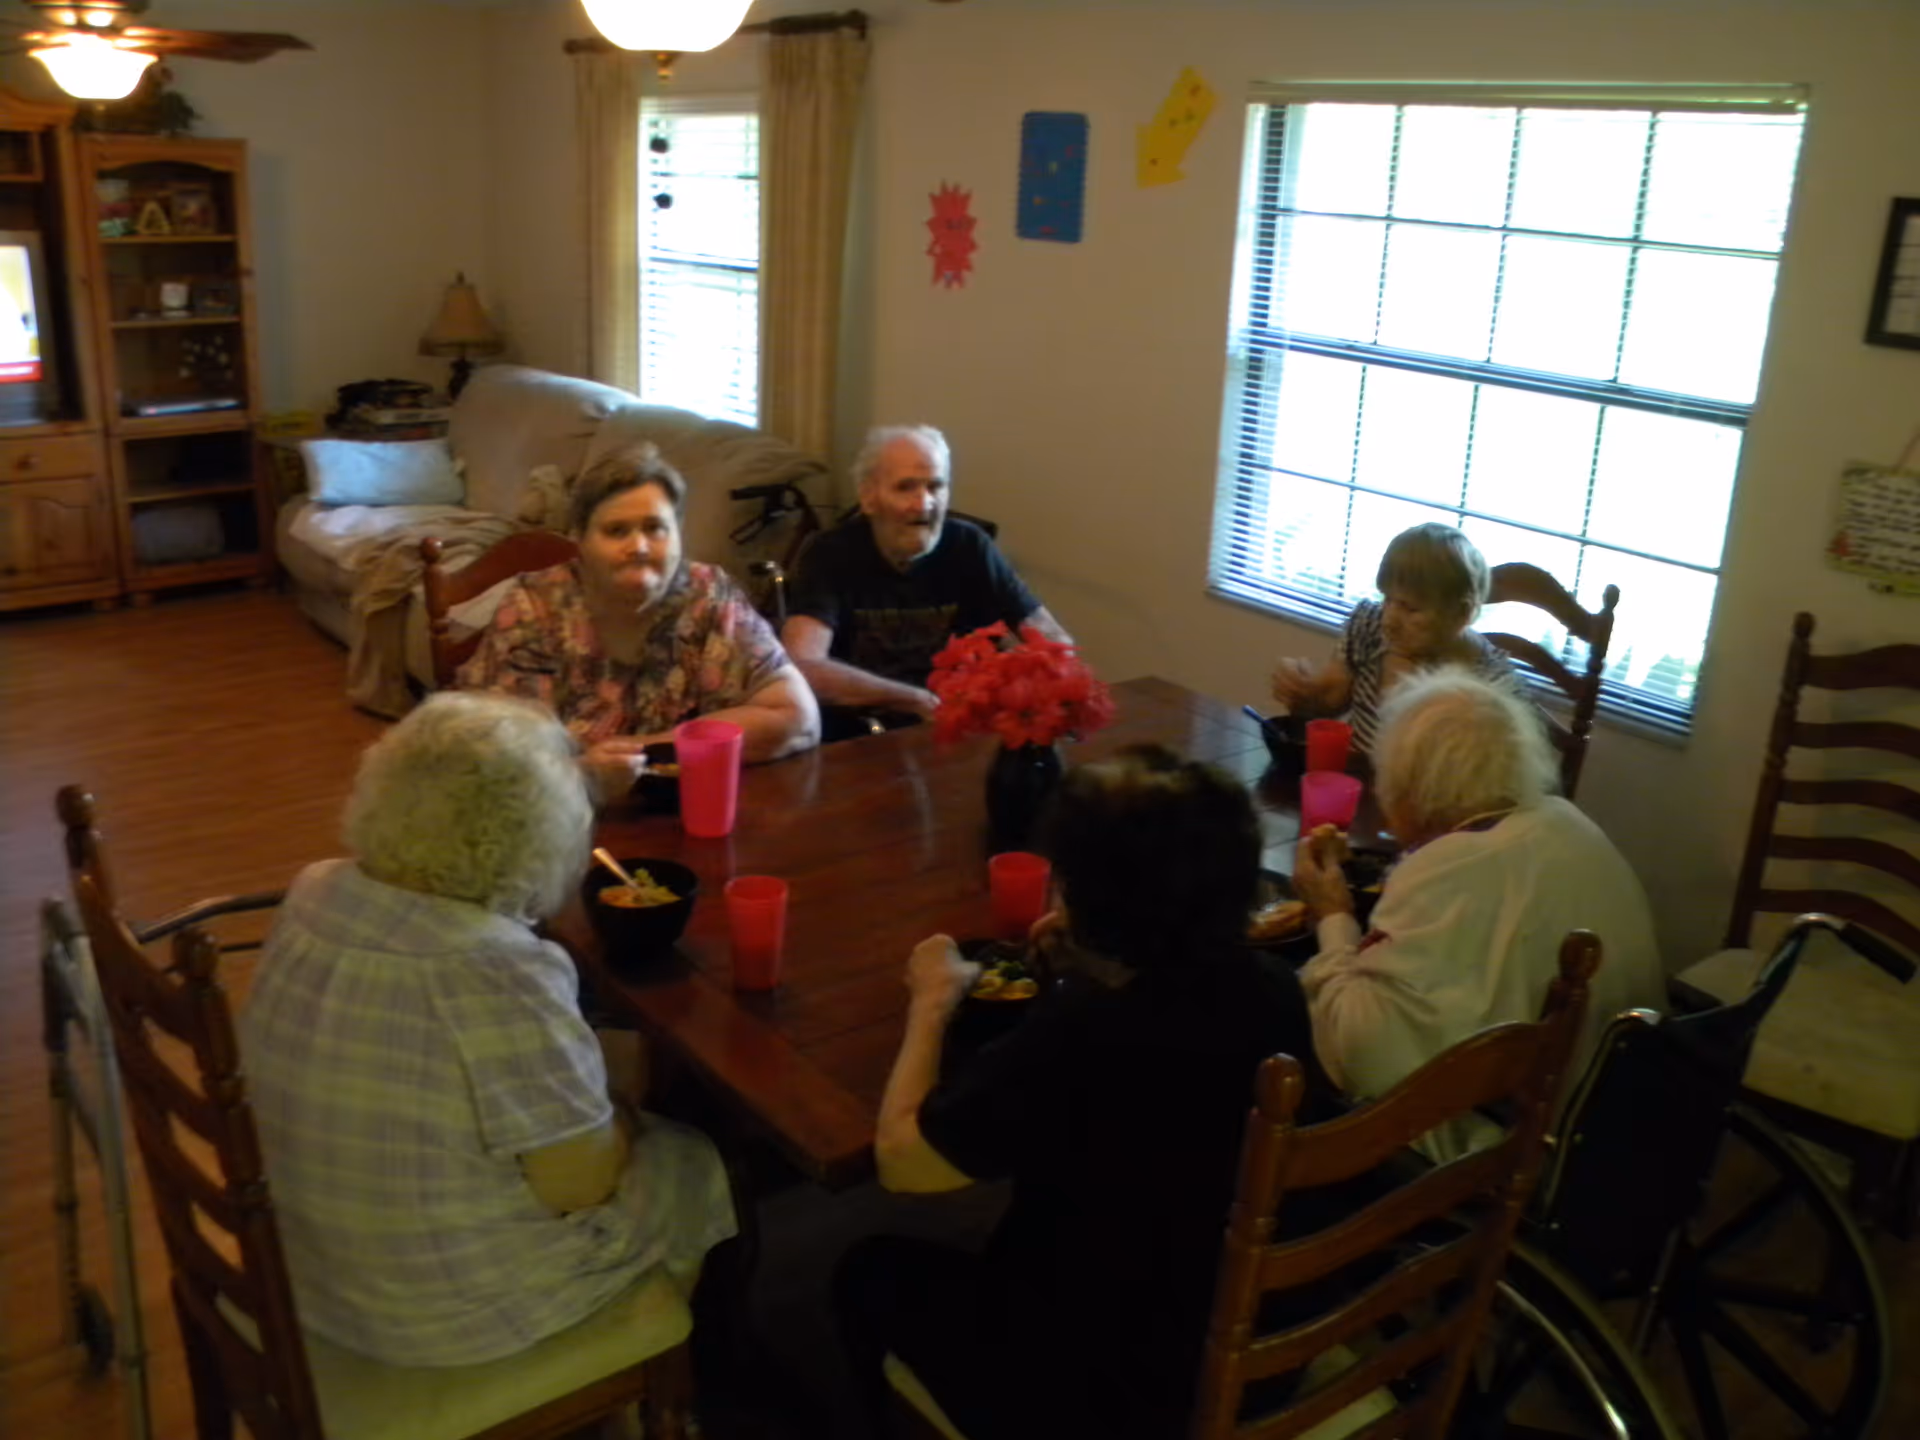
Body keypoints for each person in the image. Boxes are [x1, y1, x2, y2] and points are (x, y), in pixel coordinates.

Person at [833, 745, 1324, 1440]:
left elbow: (902, 1160)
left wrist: (932, 1002)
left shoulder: (1087, 1030)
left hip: (1116, 1396)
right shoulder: (1273, 988)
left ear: (1094, 898)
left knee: (867, 1271)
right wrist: (1096, 956)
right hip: (1254, 1348)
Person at [238, 692, 738, 1367]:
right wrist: (624, 1110)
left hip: (306, 1268)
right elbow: (578, 1186)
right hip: (439, 1319)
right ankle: (648, 1374)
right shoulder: (495, 967)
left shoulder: (313, 889)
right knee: (694, 1158)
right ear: (538, 839)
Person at [1293, 669, 1664, 1162]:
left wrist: (1333, 917)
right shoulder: (1568, 822)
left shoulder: (1450, 872)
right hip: (1630, 1130)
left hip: (1526, 1158)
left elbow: (1357, 1057)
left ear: (1412, 793)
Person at [458, 442, 819, 795]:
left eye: (654, 527)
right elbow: (487, 756)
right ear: (580, 541)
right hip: (560, 822)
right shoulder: (533, 608)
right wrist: (583, 776)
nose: (640, 546)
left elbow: (798, 720)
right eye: (616, 531)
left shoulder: (710, 597)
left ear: (678, 535)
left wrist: (642, 748)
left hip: (687, 814)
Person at [781, 424, 1072, 735]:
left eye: (935, 486)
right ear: (869, 497)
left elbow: (1052, 641)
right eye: (905, 487)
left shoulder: (970, 547)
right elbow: (804, 665)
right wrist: (913, 699)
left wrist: (1042, 688)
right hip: (862, 732)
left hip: (962, 728)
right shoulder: (830, 553)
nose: (923, 504)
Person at [1270, 522, 1515, 754]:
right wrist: (1304, 692)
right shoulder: (1369, 626)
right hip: (1356, 781)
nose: (1389, 620)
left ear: (1461, 613)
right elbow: (1328, 706)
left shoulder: (1490, 686)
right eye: (1387, 599)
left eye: (1411, 609)